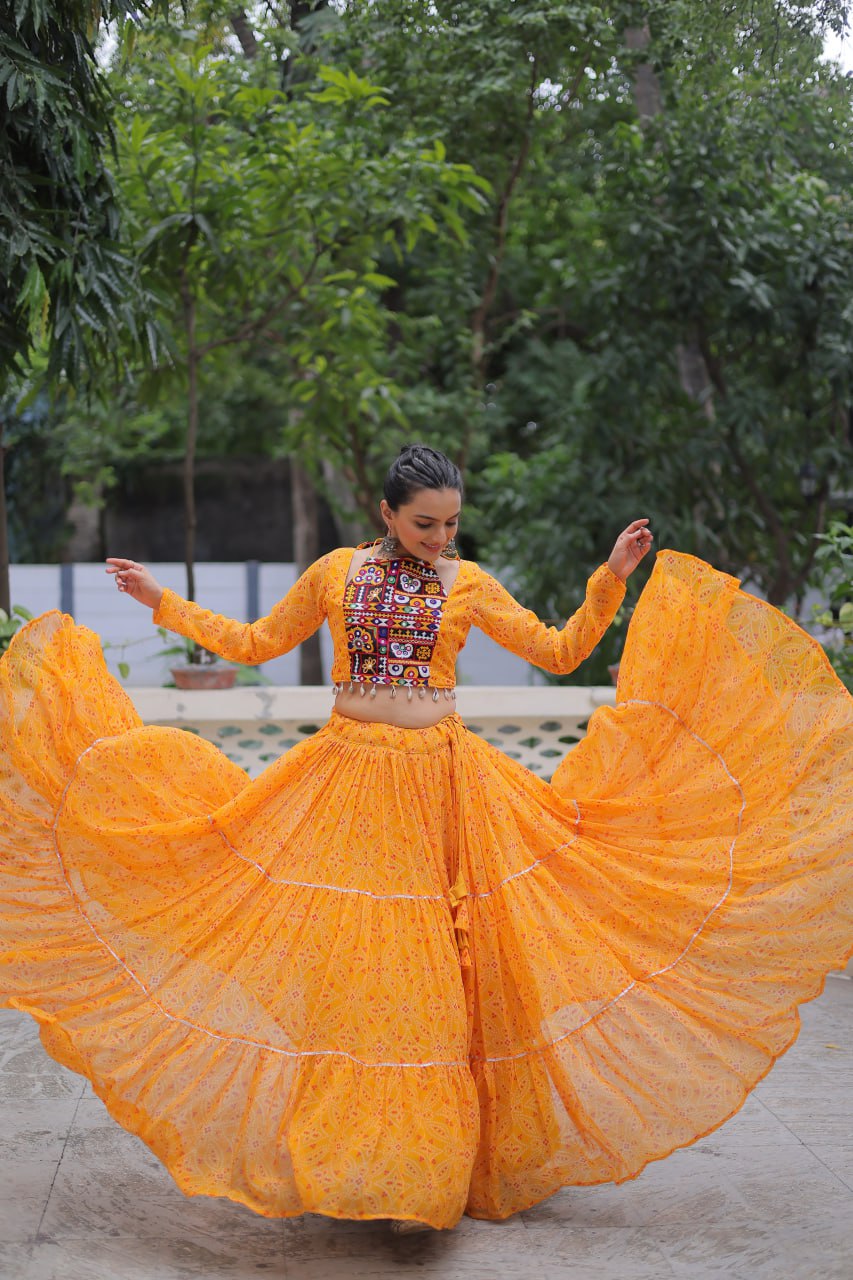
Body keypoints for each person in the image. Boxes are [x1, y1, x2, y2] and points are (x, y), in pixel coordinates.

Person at [0, 444, 850, 1236]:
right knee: (360, 973)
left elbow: (557, 653)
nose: (439, 538)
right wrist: (161, 601)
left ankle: (424, 1166)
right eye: (423, 524)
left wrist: (610, 580)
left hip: (443, 787)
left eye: (450, 523)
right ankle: (362, 1158)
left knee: (435, 982)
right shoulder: (336, 572)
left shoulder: (467, 582)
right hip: (346, 780)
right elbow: (255, 644)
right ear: (386, 513)